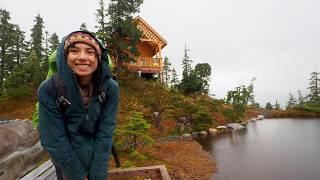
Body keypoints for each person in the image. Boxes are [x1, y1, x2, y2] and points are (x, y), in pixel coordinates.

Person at [38, 31, 119, 180]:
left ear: (98, 58)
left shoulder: (110, 88)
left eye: (90, 52)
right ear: (65, 56)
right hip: (66, 160)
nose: (82, 57)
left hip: (96, 156)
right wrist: (77, 175)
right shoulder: (49, 89)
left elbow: (106, 131)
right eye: (74, 51)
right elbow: (54, 139)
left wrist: (98, 173)